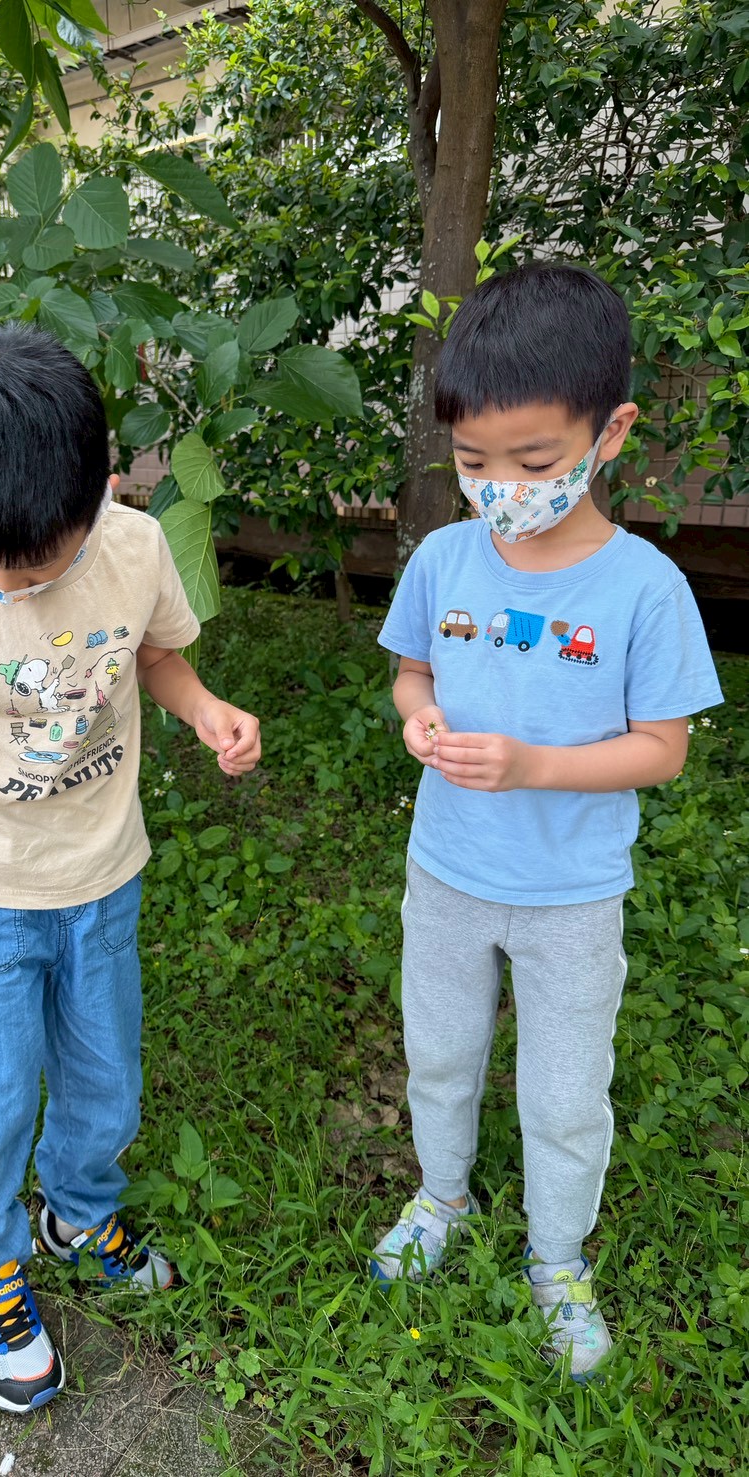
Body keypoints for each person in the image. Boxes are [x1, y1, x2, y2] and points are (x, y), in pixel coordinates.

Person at [0, 324, 260, 1415]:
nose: (7, 583)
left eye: (35, 564)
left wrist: (204, 708)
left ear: (103, 483)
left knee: (104, 1076)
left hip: (102, 874)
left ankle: (78, 1211)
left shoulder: (135, 547)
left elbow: (156, 654)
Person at [373, 263, 722, 1379]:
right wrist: (420, 718)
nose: (499, 489)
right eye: (473, 462)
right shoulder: (444, 558)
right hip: (447, 872)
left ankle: (557, 1258)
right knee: (440, 1052)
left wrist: (535, 764)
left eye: (531, 463)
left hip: (571, 895)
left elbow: (661, 748)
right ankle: (441, 1195)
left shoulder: (644, 589)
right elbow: (410, 672)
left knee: (565, 1092)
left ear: (608, 432)